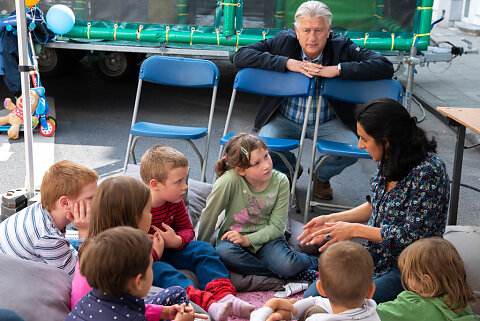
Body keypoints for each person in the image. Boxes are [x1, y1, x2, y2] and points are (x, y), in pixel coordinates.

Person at [233, 1, 394, 200]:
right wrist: (286, 63)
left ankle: (320, 175)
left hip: (328, 121)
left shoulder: (341, 45)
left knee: (353, 148)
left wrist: (338, 69)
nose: (312, 37)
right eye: (306, 30)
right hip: (286, 118)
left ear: (329, 31)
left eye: (318, 30)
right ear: (296, 30)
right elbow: (240, 56)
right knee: (263, 147)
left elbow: (384, 66)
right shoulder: (284, 41)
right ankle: (290, 168)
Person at [297, 98, 450, 303]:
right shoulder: (389, 158)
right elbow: (376, 205)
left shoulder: (430, 171)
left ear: (386, 140)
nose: (360, 146)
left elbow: (414, 237)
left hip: (410, 268)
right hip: (376, 257)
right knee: (315, 296)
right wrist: (332, 219)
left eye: (364, 139)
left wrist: (353, 230)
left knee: (345, 303)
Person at [140, 145, 254, 321]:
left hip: (172, 248)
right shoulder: (136, 205)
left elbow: (187, 230)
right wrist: (152, 251)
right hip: (148, 258)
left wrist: (176, 241)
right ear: (155, 184)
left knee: (203, 248)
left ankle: (224, 296)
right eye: (178, 182)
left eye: (185, 179)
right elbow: (127, 248)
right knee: (163, 271)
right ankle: (208, 305)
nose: (185, 187)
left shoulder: (175, 200)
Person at [197, 133, 318, 282]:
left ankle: (314, 263)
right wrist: (200, 248)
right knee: (224, 253)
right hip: (233, 237)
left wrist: (247, 239)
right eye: (257, 163)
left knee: (286, 264)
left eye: (266, 156)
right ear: (241, 170)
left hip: (268, 238)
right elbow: (210, 214)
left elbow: (277, 227)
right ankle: (290, 274)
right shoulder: (228, 181)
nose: (266, 165)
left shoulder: (281, 181)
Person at [70, 176, 192, 321]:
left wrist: (163, 312)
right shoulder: (117, 261)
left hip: (109, 309)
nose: (152, 215)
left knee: (177, 293)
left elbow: (122, 305)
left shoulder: (96, 249)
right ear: (134, 217)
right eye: (148, 211)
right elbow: (126, 309)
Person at [66, 226, 204, 321]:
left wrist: (164, 312)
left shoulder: (86, 300)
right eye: (150, 267)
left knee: (177, 292)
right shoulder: (134, 318)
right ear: (138, 281)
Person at [0, 160, 97, 276]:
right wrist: (84, 231)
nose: (97, 201)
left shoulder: (44, 210)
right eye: (91, 198)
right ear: (65, 203)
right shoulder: (49, 237)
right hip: (14, 282)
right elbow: (79, 276)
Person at [251, 241, 380, 321]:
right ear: (371, 291)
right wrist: (290, 311)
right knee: (314, 308)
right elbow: (319, 301)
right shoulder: (372, 310)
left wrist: (270, 306)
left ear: (320, 288)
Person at [377, 237, 479, 321]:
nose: (406, 280)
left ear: (426, 280)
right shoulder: (457, 298)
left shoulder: (414, 305)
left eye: (408, 275)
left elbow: (374, 314)